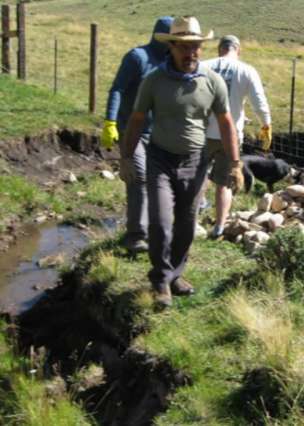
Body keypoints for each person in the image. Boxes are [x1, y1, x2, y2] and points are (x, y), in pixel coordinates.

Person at [119, 16, 244, 307]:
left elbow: (226, 123)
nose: (191, 53)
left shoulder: (211, 81)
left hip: (195, 161)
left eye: (196, 47)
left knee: (187, 224)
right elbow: (136, 120)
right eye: (185, 47)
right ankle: (160, 281)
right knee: (161, 222)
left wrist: (235, 162)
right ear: (172, 47)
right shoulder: (154, 81)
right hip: (160, 159)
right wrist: (126, 158)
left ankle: (175, 274)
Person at [101, 16, 173, 254]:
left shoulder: (171, 62)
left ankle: (158, 230)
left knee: (161, 181)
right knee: (138, 178)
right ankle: (135, 237)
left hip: (159, 133)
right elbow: (118, 89)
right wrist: (110, 120)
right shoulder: (137, 57)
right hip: (131, 130)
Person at [201, 35, 272, 239]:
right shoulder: (246, 71)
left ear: (218, 49)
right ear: (238, 50)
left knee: (198, 176)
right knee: (223, 183)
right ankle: (219, 228)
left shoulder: (204, 66)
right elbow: (259, 102)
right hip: (229, 137)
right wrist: (265, 124)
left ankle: (188, 219)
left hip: (202, 132)